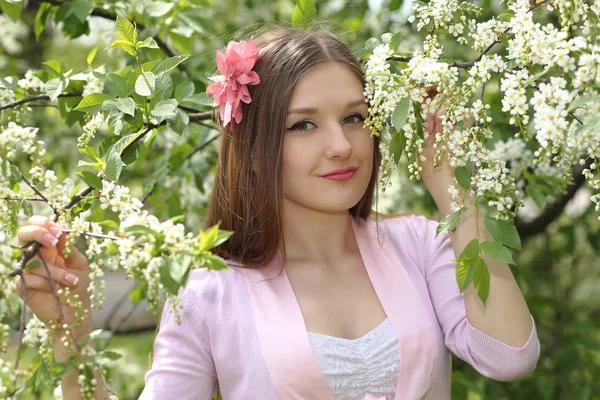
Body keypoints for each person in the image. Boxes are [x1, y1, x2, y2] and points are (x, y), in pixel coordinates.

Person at [15, 26, 540, 400]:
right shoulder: (209, 294)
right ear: (256, 144)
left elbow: (510, 356)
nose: (341, 146)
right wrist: (73, 332)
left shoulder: (421, 245)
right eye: (303, 125)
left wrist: (448, 184)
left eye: (354, 117)